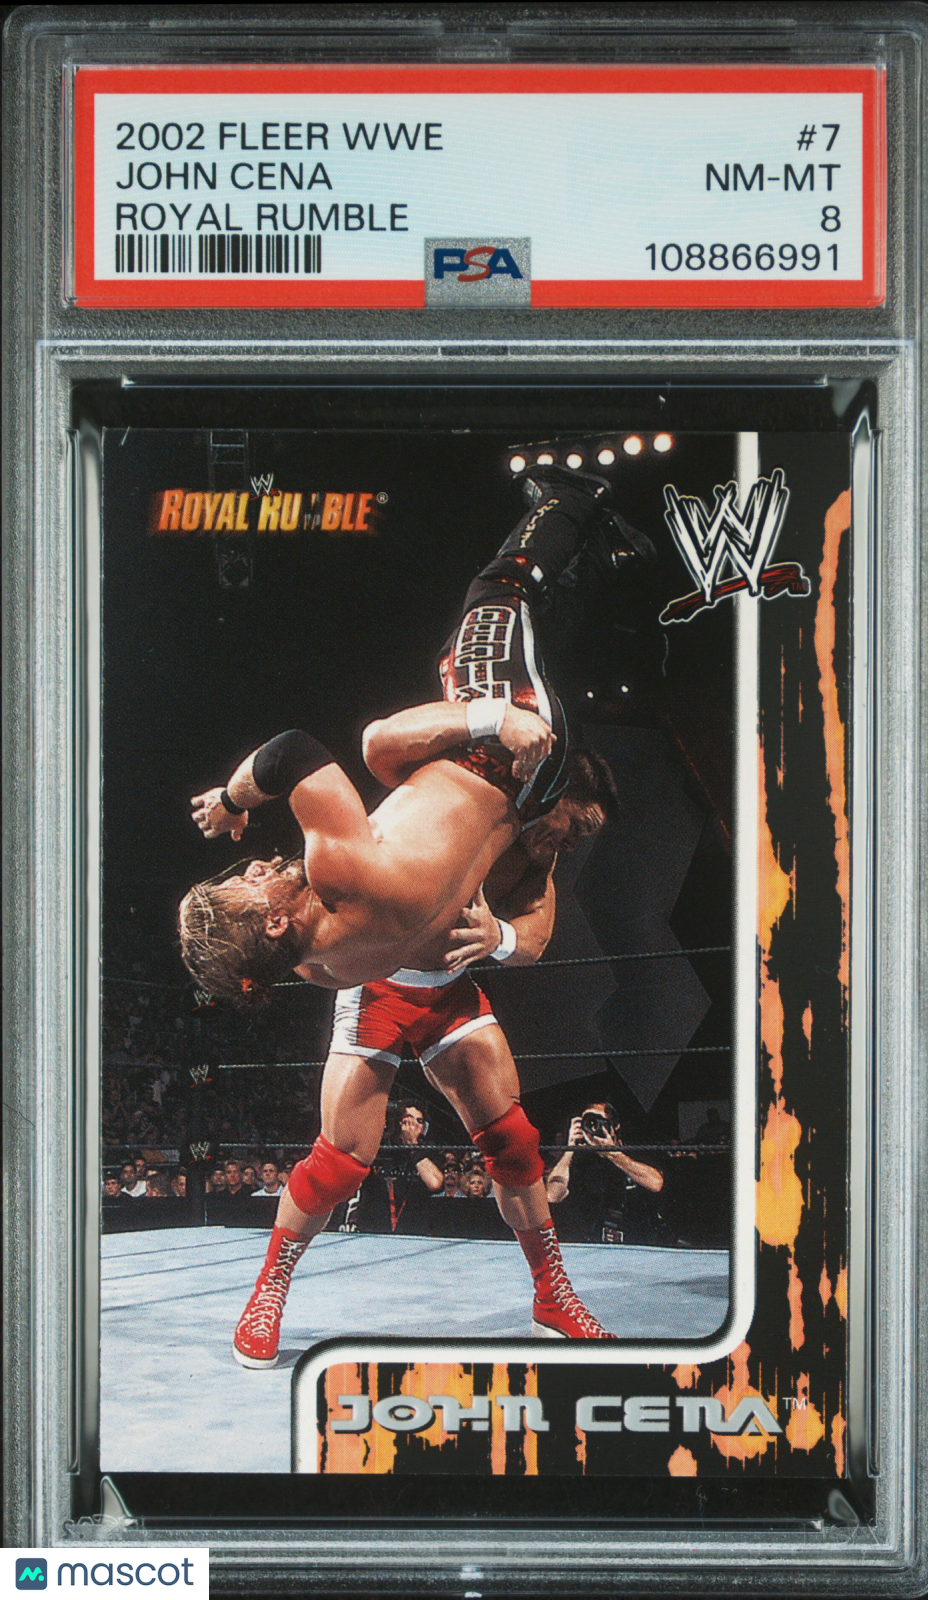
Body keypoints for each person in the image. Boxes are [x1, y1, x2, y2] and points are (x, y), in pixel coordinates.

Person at [179, 466, 640, 1000]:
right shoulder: (338, 877)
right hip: (502, 747)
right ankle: (574, 496)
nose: (255, 867)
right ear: (276, 925)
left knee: (487, 656)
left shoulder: (334, 971)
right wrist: (232, 801)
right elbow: (290, 752)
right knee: (498, 592)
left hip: (529, 799)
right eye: (246, 884)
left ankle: (605, 554)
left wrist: (498, 938)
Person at [231, 746, 623, 1366]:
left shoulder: (536, 854)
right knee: (339, 1164)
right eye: (577, 824)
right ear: (553, 795)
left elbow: (535, 939)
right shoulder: (467, 793)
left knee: (516, 1144)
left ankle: (553, 1297)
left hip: (448, 990)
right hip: (377, 985)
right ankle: (267, 1294)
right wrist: (487, 722)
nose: (573, 841)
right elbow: (379, 742)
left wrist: (500, 937)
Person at [546, 1101, 664, 1244]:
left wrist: (612, 1154)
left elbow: (656, 1183)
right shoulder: (580, 1159)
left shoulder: (634, 1151)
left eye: (599, 1122)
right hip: (595, 1243)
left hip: (639, 1240)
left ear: (615, 1126)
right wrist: (570, 1149)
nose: (593, 1128)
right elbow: (553, 1195)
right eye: (588, 1123)